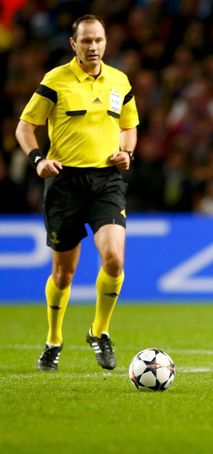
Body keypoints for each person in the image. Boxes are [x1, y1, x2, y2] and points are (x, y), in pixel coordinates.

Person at [15, 15, 138, 371]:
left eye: (98, 40)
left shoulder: (120, 80)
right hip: (65, 183)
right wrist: (37, 160)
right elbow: (25, 128)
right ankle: (54, 339)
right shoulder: (56, 80)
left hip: (107, 181)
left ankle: (99, 332)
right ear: (74, 44)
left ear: (106, 41)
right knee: (63, 275)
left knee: (114, 258)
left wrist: (126, 153)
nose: (93, 47)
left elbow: (129, 128)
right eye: (86, 41)